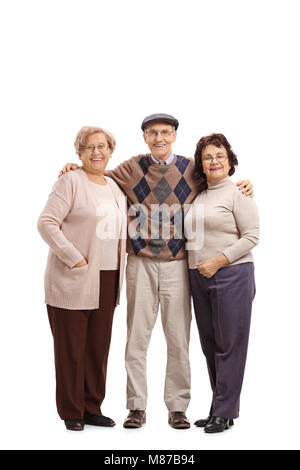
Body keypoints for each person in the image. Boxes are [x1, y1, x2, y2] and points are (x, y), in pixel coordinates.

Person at [59, 114, 253, 429]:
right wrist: (73, 168)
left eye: (165, 132)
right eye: (152, 133)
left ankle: (178, 408)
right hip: (140, 262)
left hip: (179, 265)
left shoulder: (192, 169)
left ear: (175, 135)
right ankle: (136, 407)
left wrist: (245, 182)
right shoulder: (131, 167)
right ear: (145, 137)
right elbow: (97, 174)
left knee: (178, 339)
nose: (159, 138)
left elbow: (221, 182)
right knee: (137, 338)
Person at [38, 126, 127, 431]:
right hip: (73, 278)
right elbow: (47, 223)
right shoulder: (70, 181)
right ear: (79, 153)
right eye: (89, 147)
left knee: (97, 348)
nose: (96, 152)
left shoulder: (114, 187)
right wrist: (74, 257)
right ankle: (72, 411)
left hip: (108, 277)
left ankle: (92, 407)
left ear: (111, 151)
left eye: (102, 147)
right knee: (71, 350)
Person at [185, 133, 259, 433]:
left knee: (230, 345)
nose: (214, 161)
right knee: (210, 344)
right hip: (198, 276)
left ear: (229, 161)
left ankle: (224, 411)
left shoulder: (238, 193)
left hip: (232, 274)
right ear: (200, 165)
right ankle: (221, 408)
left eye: (219, 156)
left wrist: (218, 261)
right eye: (207, 157)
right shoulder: (197, 195)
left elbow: (252, 236)